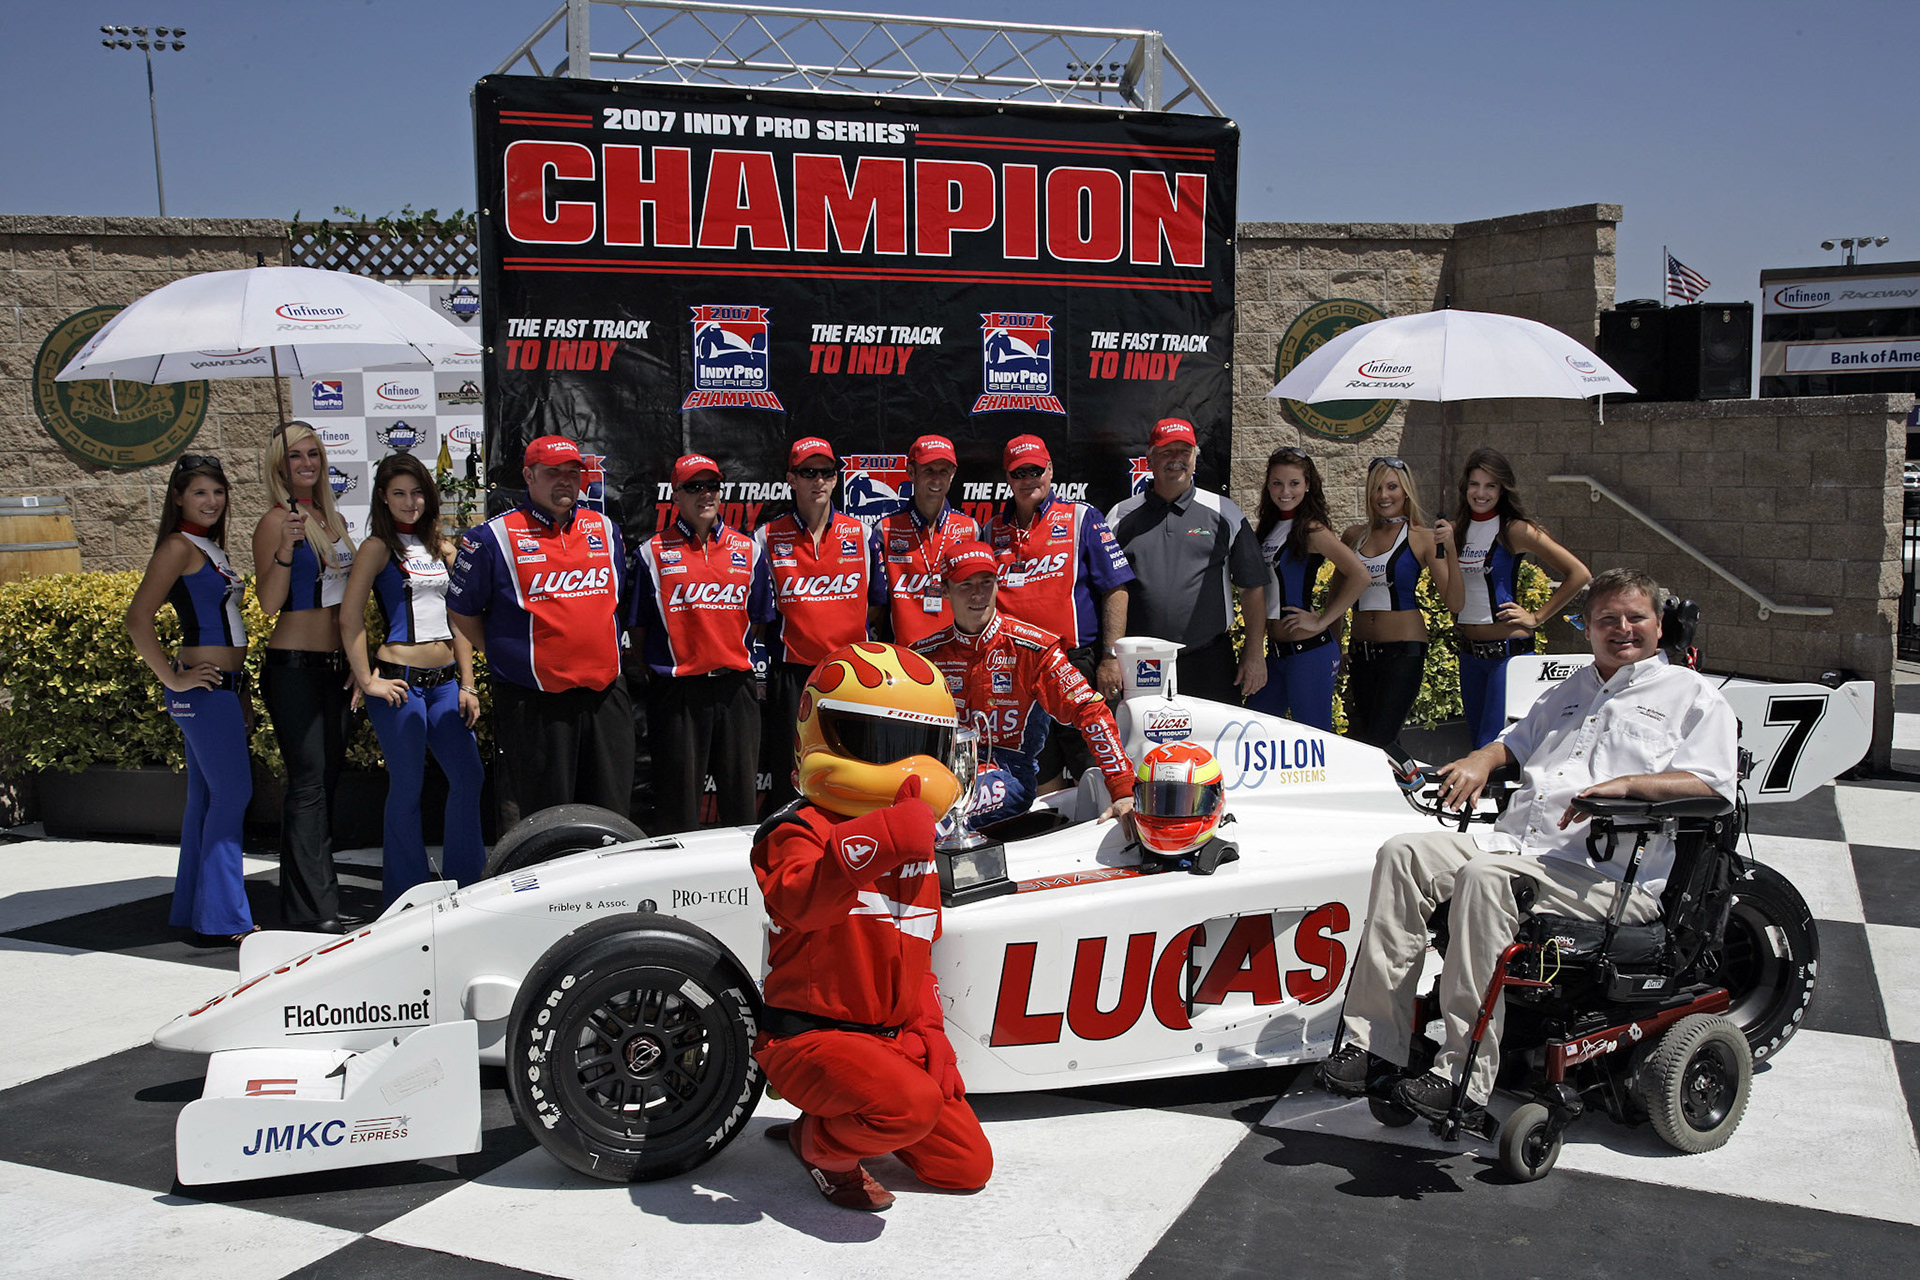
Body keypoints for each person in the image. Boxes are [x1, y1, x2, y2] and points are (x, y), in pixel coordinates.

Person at [1319, 568, 1738, 1120]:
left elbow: (1714, 788)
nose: (1622, 629)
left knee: (1485, 880)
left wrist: (1626, 787)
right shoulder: (1572, 689)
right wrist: (1478, 759)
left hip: (1607, 880)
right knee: (1404, 854)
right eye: (1606, 619)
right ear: (1586, 629)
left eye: (1636, 617)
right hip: (1522, 850)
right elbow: (1511, 744)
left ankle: (1463, 1077)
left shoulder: (1693, 697)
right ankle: (1376, 1047)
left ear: (1660, 626)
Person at [751, 642, 991, 1211]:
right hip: (808, 1037)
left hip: (888, 1042)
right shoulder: (795, 827)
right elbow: (798, 902)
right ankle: (820, 1145)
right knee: (908, 1106)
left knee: (966, 1167)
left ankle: (841, 1114)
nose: (908, 766)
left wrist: (935, 1040)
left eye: (920, 746)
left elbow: (917, 958)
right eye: (879, 742)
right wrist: (883, 837)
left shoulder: (918, 844)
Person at [448, 435, 632, 829]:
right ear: (529, 475)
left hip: (604, 697)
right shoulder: (491, 538)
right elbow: (461, 611)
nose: (565, 481)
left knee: (611, 818)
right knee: (547, 825)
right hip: (536, 703)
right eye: (553, 473)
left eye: (572, 473)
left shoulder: (606, 529)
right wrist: (505, 653)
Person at [340, 453, 485, 904]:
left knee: (469, 777)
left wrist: (468, 683)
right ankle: (404, 897)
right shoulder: (376, 548)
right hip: (399, 684)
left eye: (418, 492)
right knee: (406, 787)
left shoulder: (443, 548)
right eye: (399, 493)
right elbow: (349, 618)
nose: (410, 501)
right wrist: (367, 681)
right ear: (383, 497)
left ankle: (467, 886)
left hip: (444, 682)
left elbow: (459, 619)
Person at [912, 542, 1135, 829]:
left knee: (940, 812)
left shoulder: (1033, 648)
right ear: (945, 590)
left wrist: (1123, 790)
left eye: (986, 582)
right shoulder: (925, 654)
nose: (978, 594)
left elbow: (1091, 712)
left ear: (997, 584)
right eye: (965, 584)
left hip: (1008, 773)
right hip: (938, 768)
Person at [125, 454, 254, 945]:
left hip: (221, 690)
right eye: (200, 492)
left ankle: (196, 909)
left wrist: (238, 692)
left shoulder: (208, 546)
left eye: (218, 492)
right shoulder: (178, 547)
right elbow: (137, 620)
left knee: (206, 797)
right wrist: (172, 680)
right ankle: (225, 919)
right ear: (178, 496)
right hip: (200, 690)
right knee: (231, 795)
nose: (211, 501)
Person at [251, 421, 358, 932]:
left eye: (313, 454)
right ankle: (311, 911)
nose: (307, 464)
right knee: (309, 785)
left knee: (325, 785)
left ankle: (314, 899)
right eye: (295, 456)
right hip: (293, 667)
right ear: (279, 465)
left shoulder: (330, 518)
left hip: (335, 668)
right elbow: (269, 603)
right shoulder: (277, 522)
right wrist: (287, 548)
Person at [632, 453, 775, 832]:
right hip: (679, 693)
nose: (705, 494)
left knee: (741, 805)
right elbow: (639, 630)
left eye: (712, 485)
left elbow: (759, 620)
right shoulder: (652, 553)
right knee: (677, 807)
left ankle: (744, 885)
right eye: (694, 487)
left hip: (735, 690)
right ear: (675, 495)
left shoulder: (749, 550)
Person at [986, 433, 1135, 790]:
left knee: (1094, 766)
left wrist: (1111, 657)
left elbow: (1115, 588)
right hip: (1016, 670)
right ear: (1007, 477)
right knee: (1037, 770)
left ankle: (1102, 841)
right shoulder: (991, 530)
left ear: (1050, 470)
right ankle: (1049, 840)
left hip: (1073, 663)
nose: (1028, 479)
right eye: (1018, 472)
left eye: (1035, 470)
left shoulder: (1081, 517)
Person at [1105, 418, 1267, 705]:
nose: (1176, 459)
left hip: (1209, 660)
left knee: (1214, 748)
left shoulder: (1224, 512)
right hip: (1142, 664)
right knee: (1142, 748)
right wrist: (1110, 658)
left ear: (1195, 458)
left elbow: (1251, 587)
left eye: (1184, 451)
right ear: (1150, 459)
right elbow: (1107, 592)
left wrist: (1254, 653)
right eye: (1166, 452)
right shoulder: (1119, 516)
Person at [1440, 447, 1592, 748]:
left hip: (1507, 657)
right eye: (1474, 484)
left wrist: (1536, 617)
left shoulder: (1514, 530)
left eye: (1490, 485)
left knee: (1492, 744)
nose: (1480, 493)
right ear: (1464, 487)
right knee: (1475, 743)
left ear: (1502, 489)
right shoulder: (1454, 532)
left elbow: (1579, 573)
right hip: (1469, 655)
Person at [755, 437, 869, 810]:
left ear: (837, 479)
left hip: (851, 674)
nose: (818, 480)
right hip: (794, 676)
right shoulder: (767, 537)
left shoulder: (863, 535)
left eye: (826, 472)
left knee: (854, 768)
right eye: (808, 472)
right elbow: (759, 614)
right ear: (791, 478)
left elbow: (880, 608)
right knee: (794, 772)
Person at [1244, 446, 1369, 731]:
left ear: (1308, 485)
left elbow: (1360, 575)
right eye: (1277, 483)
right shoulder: (1269, 527)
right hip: (1276, 655)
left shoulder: (1312, 530)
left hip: (1309, 654)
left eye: (1294, 483)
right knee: (1253, 731)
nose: (1285, 491)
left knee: (1314, 739)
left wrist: (1323, 619)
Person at [1339, 457, 1451, 750]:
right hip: (1361, 652)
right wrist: (1335, 644)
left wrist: (1447, 547)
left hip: (1403, 652)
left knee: (1380, 740)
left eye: (1391, 487)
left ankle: (1410, 789)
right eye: (1376, 488)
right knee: (1367, 740)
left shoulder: (1423, 538)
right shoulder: (1353, 536)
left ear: (1406, 491)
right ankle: (1400, 791)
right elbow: (1336, 598)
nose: (1383, 495)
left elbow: (1452, 597)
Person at [867, 434, 982, 648]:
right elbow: (877, 605)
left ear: (953, 474)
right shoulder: (886, 529)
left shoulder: (970, 529)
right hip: (902, 657)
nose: (936, 479)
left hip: (956, 655)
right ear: (911, 472)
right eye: (929, 470)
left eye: (943, 471)